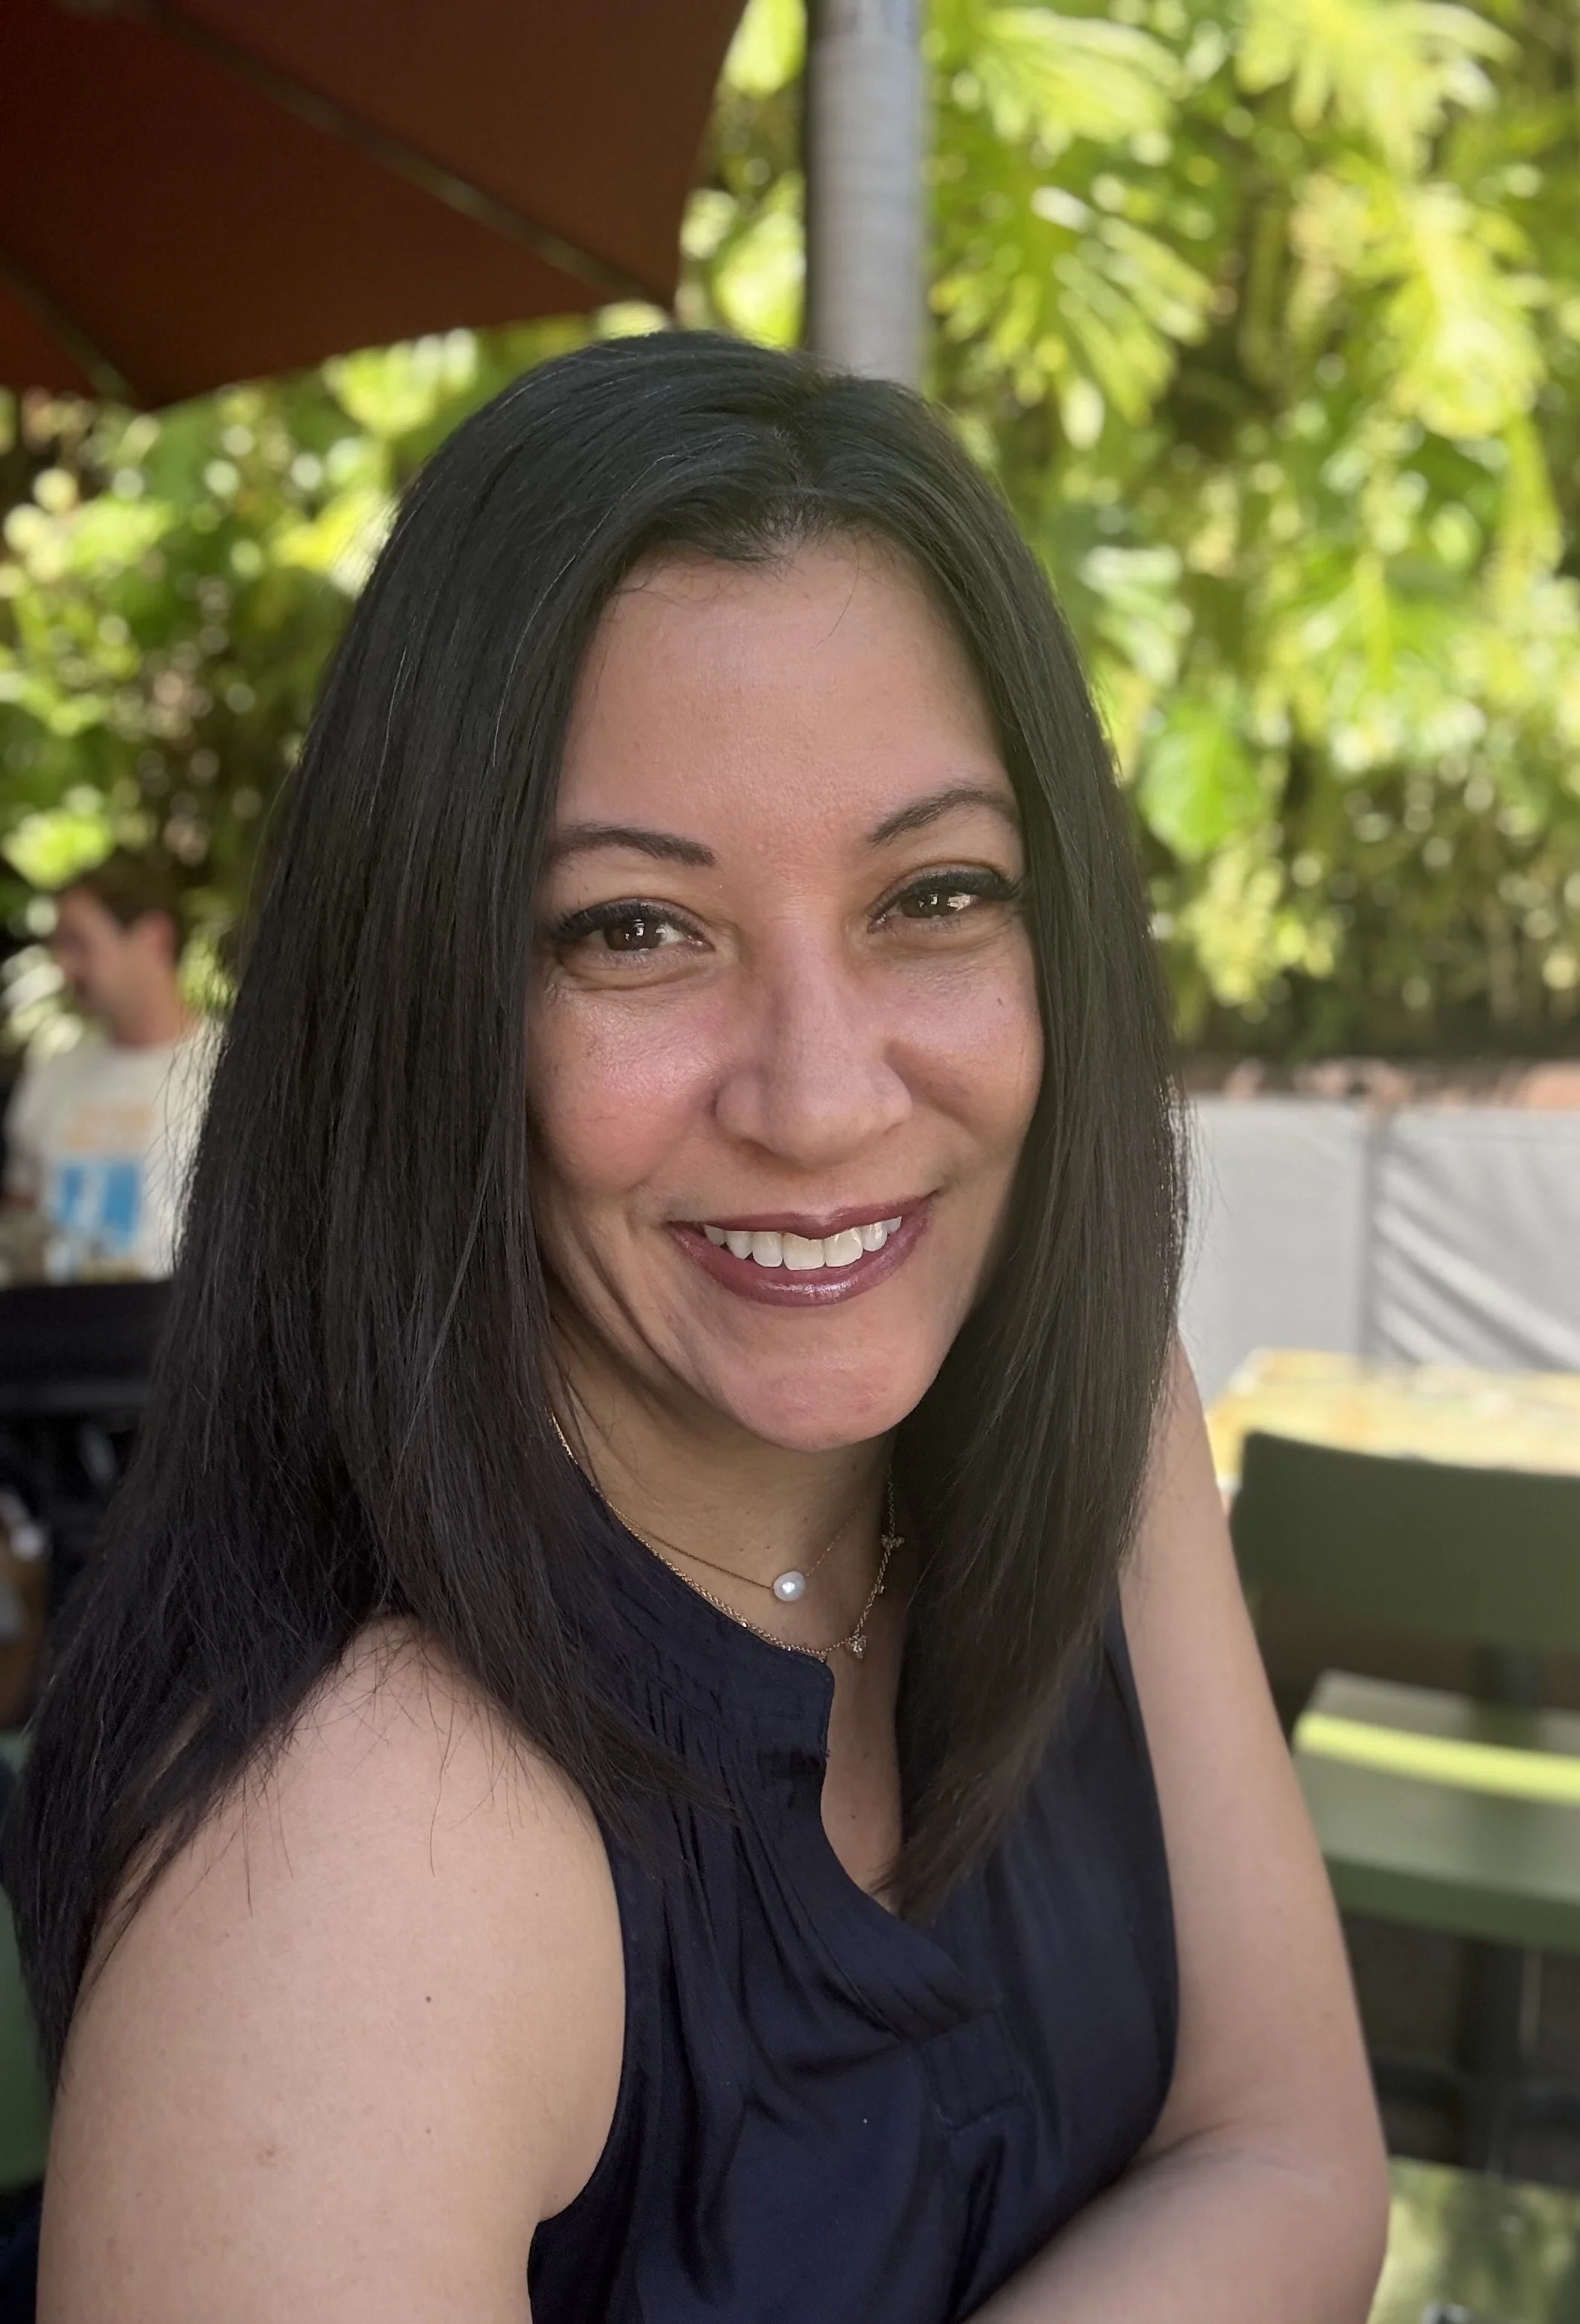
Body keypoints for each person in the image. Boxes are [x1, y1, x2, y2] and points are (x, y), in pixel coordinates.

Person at [11, 336, 1390, 2322]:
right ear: (435, 1001)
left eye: (930, 894)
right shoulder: (364, 1857)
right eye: (632, 930)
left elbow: (1285, 2154)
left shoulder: (1089, 1427)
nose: (820, 1098)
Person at [4, 853, 212, 1279]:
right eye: (58, 946)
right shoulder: (51, 1078)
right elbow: (18, 1217)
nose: (64, 965)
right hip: (54, 1334)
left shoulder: (226, 1074)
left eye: (78, 942)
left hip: (174, 1336)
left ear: (154, 938)